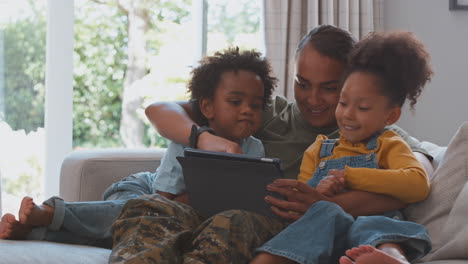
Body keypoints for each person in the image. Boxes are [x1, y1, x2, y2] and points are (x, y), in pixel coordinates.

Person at [109, 25, 434, 263]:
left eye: (329, 88)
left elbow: (418, 178)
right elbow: (159, 110)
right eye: (302, 84)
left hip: (254, 221)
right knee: (135, 205)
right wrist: (204, 138)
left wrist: (324, 203)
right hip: (165, 188)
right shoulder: (265, 111)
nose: (313, 99)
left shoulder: (376, 134)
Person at [0, 47, 276, 249]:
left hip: (184, 211)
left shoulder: (255, 150)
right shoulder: (186, 139)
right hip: (145, 190)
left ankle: (35, 232)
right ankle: (53, 212)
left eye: (255, 105)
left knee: (133, 233)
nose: (247, 112)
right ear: (207, 107)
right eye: (236, 102)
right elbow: (162, 199)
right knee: (143, 214)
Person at [251, 31, 433, 264]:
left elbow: (418, 181)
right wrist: (321, 194)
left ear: (391, 116)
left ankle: (391, 258)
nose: (347, 114)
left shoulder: (388, 142)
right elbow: (305, 197)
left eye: (363, 107)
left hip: (366, 224)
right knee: (322, 217)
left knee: (378, 225)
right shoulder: (317, 148)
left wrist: (350, 178)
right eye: (344, 103)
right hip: (322, 228)